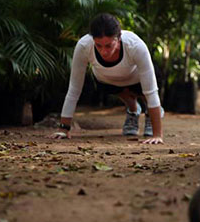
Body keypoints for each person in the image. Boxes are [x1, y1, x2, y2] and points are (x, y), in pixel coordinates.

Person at [50, 13, 164, 144]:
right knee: (121, 93)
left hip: (137, 79)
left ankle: (150, 114)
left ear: (119, 38)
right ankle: (133, 111)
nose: (103, 51)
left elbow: (151, 91)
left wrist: (157, 135)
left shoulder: (135, 45)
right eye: (98, 46)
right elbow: (74, 89)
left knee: (146, 95)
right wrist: (64, 129)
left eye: (109, 45)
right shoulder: (84, 46)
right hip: (107, 81)